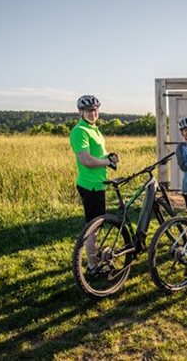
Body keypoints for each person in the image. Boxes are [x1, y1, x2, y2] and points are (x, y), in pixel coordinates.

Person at [69, 94, 119, 270]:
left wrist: (108, 156)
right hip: (90, 185)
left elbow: (96, 155)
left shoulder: (94, 129)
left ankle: (93, 258)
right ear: (80, 112)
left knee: (97, 224)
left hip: (99, 183)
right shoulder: (79, 131)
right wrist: (107, 162)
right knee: (94, 227)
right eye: (89, 110)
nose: (93, 113)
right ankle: (92, 264)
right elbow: (86, 160)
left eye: (96, 110)